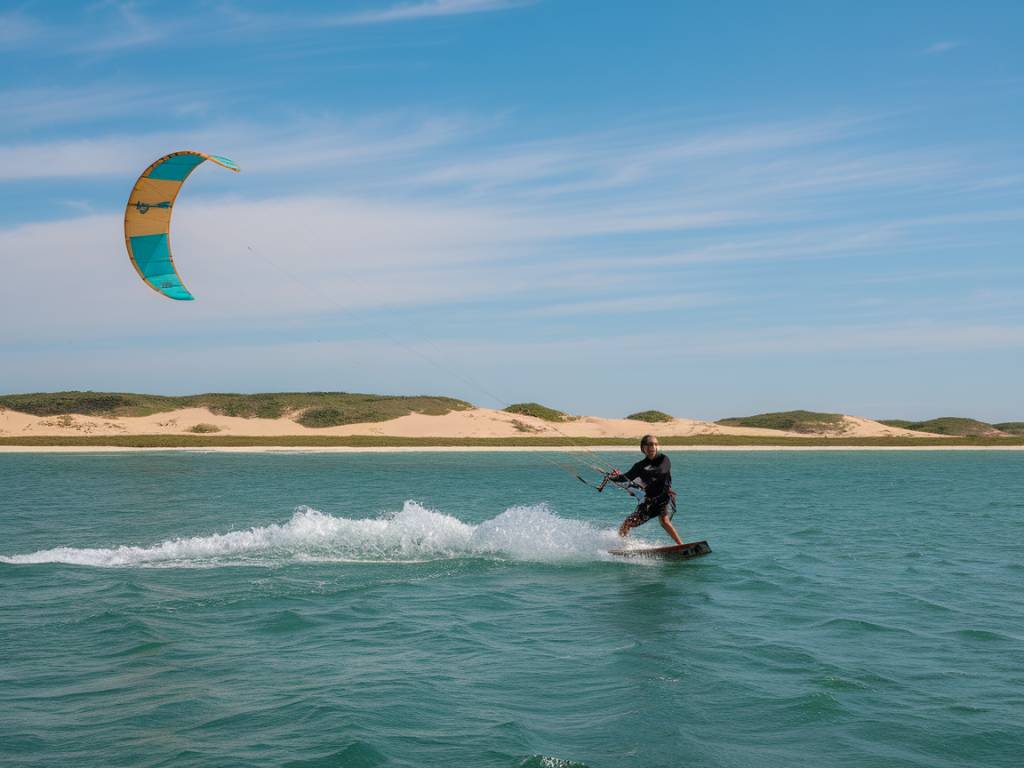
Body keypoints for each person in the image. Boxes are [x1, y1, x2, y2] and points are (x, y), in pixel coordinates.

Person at [606, 435, 684, 546]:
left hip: (663, 497)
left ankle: (681, 546)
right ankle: (621, 546)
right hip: (649, 501)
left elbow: (661, 470)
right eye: (650, 444)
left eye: (656, 444)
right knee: (627, 523)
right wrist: (612, 478)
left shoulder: (664, 459)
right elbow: (627, 476)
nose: (653, 447)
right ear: (643, 448)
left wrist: (644, 473)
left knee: (665, 521)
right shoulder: (639, 466)